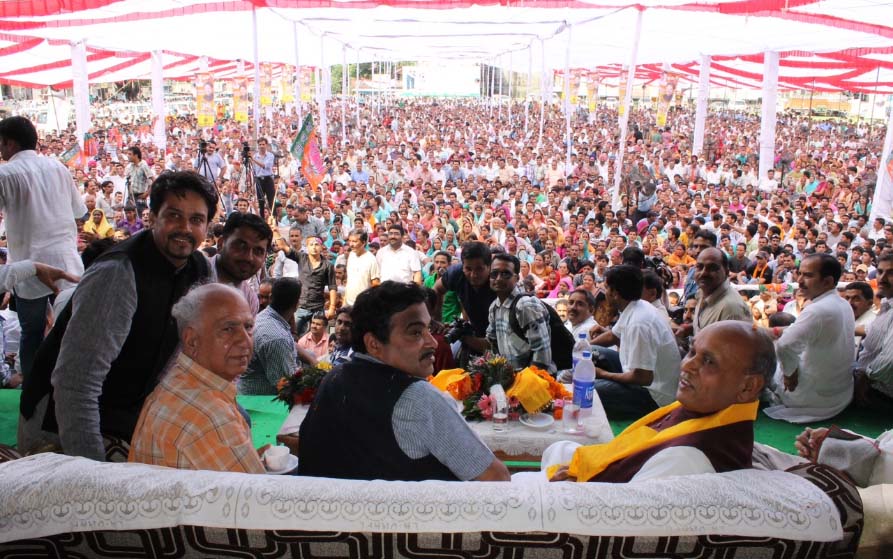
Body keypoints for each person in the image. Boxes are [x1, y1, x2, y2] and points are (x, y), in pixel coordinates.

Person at [18, 171, 217, 460]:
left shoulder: (200, 270)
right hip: (62, 425)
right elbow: (75, 384)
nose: (185, 228)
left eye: (196, 220)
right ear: (152, 218)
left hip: (124, 414)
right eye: (174, 215)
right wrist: (95, 474)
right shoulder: (118, 274)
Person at [298, 281, 510, 482]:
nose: (433, 342)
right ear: (373, 344)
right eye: (415, 333)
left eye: (429, 329)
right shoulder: (419, 398)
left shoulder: (334, 377)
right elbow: (496, 478)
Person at [543, 321, 775, 483]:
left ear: (748, 387)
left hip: (589, 504)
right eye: (692, 352)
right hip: (613, 482)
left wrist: (578, 481)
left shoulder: (688, 459)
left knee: (557, 452)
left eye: (708, 362)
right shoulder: (707, 414)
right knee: (559, 448)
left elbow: (622, 513)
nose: (687, 365)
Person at [128, 284, 265, 473]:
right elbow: (258, 497)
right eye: (228, 329)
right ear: (192, 341)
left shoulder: (177, 383)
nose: (245, 340)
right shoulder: (211, 417)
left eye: (248, 326)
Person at [0, 116, 86, 380]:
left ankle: (32, 396)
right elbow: (78, 212)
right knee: (72, 332)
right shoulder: (58, 167)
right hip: (67, 264)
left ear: (9, 144)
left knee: (32, 334)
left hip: (30, 269)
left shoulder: (5, 174)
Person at [765, 253, 855, 423]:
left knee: (762, 353)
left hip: (810, 400)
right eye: (799, 273)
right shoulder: (843, 303)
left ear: (827, 282)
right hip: (839, 395)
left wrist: (790, 374)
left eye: (808, 275)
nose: (799, 280)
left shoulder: (817, 310)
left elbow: (785, 345)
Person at [589, 265, 681, 418]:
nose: (604, 292)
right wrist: (584, 347)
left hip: (654, 397)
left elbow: (643, 378)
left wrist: (603, 374)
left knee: (590, 391)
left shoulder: (639, 323)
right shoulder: (637, 306)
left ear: (615, 294)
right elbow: (613, 336)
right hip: (638, 376)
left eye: (606, 288)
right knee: (591, 353)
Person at [486, 253, 554, 372]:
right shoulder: (494, 308)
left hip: (535, 380)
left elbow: (542, 355)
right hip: (512, 379)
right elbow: (491, 343)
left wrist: (525, 385)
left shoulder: (525, 306)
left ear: (517, 278)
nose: (498, 278)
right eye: (494, 273)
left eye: (505, 274)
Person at [239, 277, 301, 395]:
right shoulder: (277, 338)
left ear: (271, 297)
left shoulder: (262, 317)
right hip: (261, 403)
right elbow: (285, 385)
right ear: (297, 304)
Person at [433, 241, 496, 356]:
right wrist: (437, 320)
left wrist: (464, 337)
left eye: (479, 269)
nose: (473, 274)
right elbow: (436, 290)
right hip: (473, 330)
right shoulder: (456, 273)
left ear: (489, 266)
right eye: (468, 269)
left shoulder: (499, 281)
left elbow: (496, 344)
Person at [677, 248, 751, 337]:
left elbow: (730, 349)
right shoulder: (703, 293)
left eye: (712, 268)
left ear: (726, 272)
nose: (703, 273)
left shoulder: (730, 308)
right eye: (699, 267)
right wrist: (691, 328)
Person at [208, 211, 272, 315]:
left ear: (265, 257)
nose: (249, 257)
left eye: (258, 251)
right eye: (241, 246)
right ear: (220, 244)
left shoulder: (250, 300)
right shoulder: (191, 275)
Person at [853, 251, 893, 410]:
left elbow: (889, 361)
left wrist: (865, 378)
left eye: (891, 273)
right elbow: (872, 329)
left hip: (879, 391)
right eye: (880, 271)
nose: (882, 278)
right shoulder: (888, 303)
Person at [286, 236, 336, 336]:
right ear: (307, 247)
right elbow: (284, 247)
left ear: (321, 247)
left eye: (317, 244)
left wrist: (332, 307)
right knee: (292, 334)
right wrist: (275, 231)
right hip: (301, 306)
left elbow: (332, 286)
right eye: (311, 245)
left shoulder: (328, 265)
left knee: (321, 335)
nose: (314, 247)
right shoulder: (301, 258)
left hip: (318, 308)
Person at [344, 229, 380, 305]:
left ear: (363, 242)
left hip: (363, 304)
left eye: (354, 241)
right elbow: (349, 279)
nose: (351, 244)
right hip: (348, 302)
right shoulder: (351, 255)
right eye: (350, 241)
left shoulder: (371, 259)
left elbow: (375, 284)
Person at [844, 281, 876, 357]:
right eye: (847, 298)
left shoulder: (873, 323)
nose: (849, 303)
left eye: (856, 299)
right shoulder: (846, 319)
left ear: (869, 303)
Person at [250, 137, 275, 217]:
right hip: (259, 180)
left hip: (268, 179)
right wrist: (253, 184)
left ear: (266, 145)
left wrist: (253, 160)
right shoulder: (255, 156)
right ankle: (262, 219)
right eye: (260, 144)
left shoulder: (270, 155)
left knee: (271, 200)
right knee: (260, 201)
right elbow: (254, 171)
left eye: (263, 144)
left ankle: (274, 219)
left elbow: (265, 166)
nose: (261, 146)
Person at [124, 145, 152, 213]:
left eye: (130, 154)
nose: (128, 156)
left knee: (140, 216)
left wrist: (146, 194)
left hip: (140, 196)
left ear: (136, 155)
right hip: (130, 197)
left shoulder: (143, 166)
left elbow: (153, 181)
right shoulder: (129, 167)